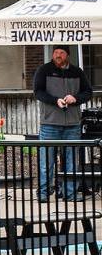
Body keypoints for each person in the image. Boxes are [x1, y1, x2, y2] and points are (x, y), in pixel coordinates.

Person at [34, 45, 94, 202]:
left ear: (68, 55)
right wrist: (55, 101)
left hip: (73, 123)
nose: (57, 55)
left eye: (61, 53)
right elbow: (38, 92)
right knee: (46, 162)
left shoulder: (77, 72)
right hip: (49, 123)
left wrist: (76, 99)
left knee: (71, 162)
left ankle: (70, 194)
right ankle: (43, 194)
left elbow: (88, 92)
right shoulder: (43, 70)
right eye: (55, 53)